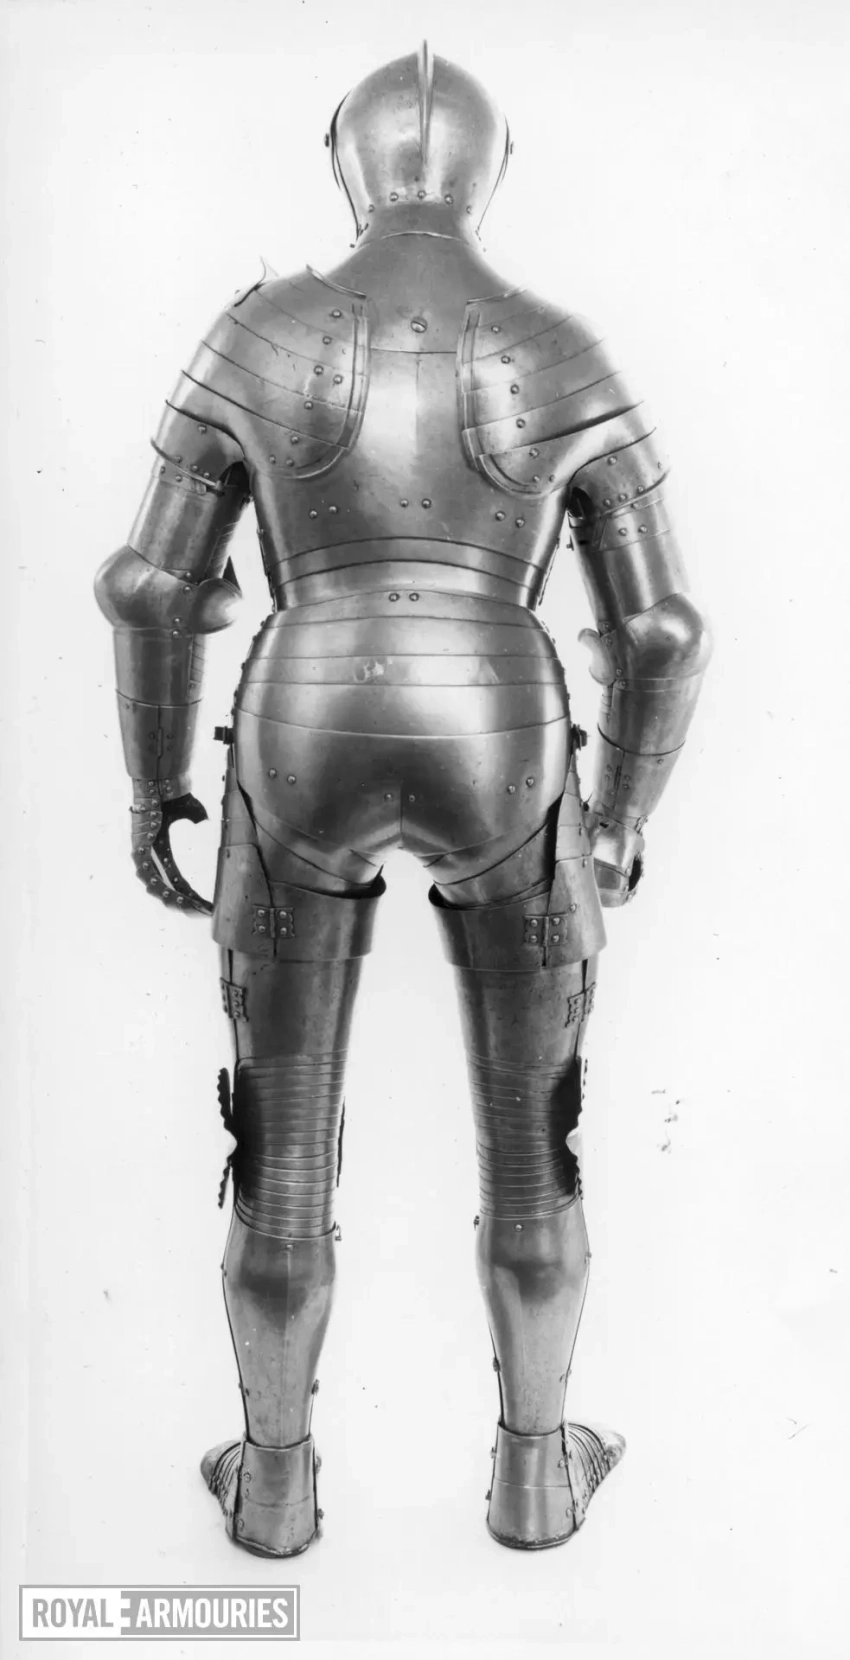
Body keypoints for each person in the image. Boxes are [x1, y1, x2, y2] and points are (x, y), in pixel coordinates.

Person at [95, 44, 710, 1557]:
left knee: (279, 1153)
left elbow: (152, 587)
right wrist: (622, 812)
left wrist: (154, 782)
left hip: (302, 719)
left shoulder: (262, 327)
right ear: (487, 171)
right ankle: (534, 1478)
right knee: (536, 1144)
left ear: (349, 164)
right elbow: (658, 632)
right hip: (504, 726)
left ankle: (275, 1489)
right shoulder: (557, 343)